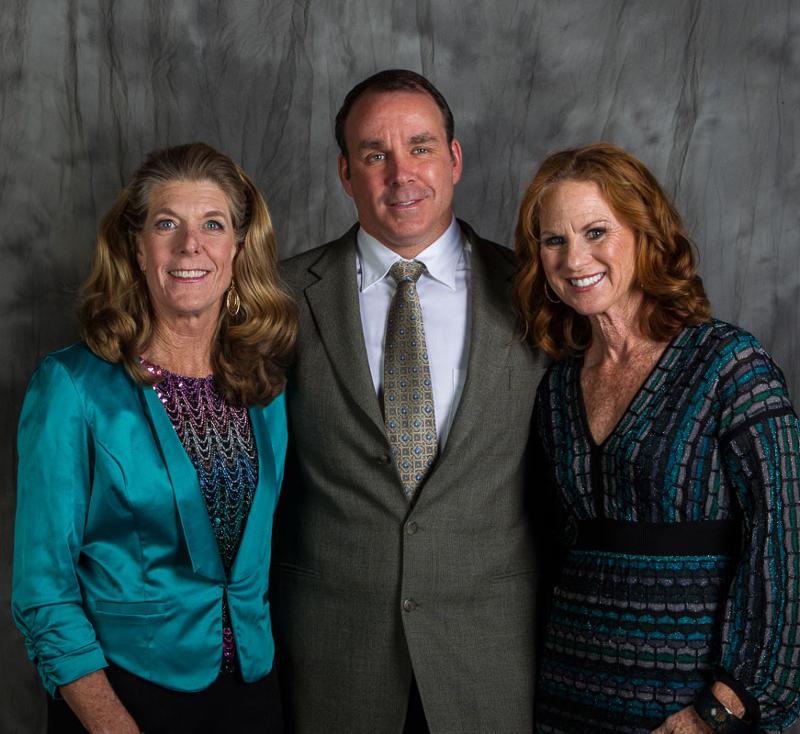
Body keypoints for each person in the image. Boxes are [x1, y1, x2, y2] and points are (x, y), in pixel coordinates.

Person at [270, 69, 546, 733]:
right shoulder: (276, 297)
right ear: (345, 172)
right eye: (375, 154)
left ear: (453, 159)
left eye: (420, 147)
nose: (401, 173)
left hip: (490, 656)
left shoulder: (536, 293)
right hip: (332, 655)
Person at [514, 142, 800, 734]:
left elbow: (787, 541)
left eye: (596, 232)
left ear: (644, 235)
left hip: (694, 711)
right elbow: (547, 550)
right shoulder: (557, 387)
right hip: (568, 699)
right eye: (554, 240)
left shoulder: (730, 365)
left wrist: (720, 708)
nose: (574, 260)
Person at [12, 142, 296, 734]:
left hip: (254, 695)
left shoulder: (264, 384)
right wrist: (113, 724)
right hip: (123, 698)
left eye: (212, 225)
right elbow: (44, 591)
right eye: (167, 223)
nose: (189, 245)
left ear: (238, 248)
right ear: (137, 248)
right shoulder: (71, 387)